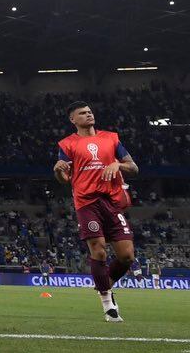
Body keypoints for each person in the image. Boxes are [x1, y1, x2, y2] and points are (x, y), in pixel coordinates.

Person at [53, 101, 139, 322]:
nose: (88, 114)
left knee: (127, 256)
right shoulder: (68, 144)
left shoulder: (111, 138)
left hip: (111, 201)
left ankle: (105, 283)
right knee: (98, 250)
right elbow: (64, 178)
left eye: (90, 111)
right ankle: (108, 304)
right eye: (82, 113)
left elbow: (134, 167)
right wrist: (58, 170)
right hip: (86, 202)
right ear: (73, 120)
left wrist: (117, 165)